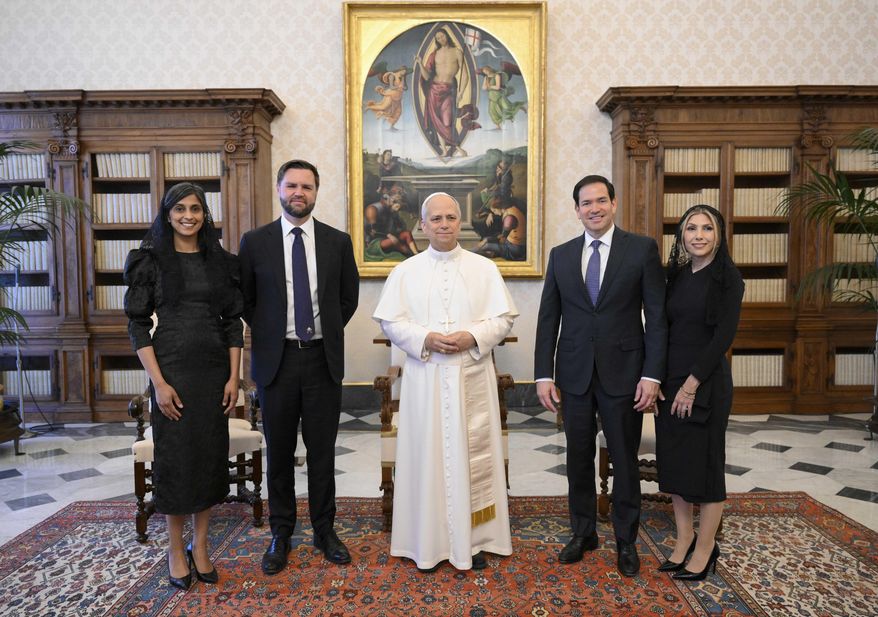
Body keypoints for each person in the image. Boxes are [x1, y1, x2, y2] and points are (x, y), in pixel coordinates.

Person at [373, 192, 518, 572]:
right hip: (426, 378)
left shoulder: (484, 268)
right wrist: (425, 338)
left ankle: (476, 541)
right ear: (422, 225)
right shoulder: (405, 271)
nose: (443, 224)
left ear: (459, 222)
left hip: (472, 376)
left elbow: (503, 318)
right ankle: (427, 543)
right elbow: (390, 321)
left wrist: (473, 337)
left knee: (472, 458)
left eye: (450, 217)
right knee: (428, 458)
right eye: (435, 218)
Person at [534, 174, 667, 577]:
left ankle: (626, 540)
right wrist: (542, 375)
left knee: (624, 459)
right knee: (577, 456)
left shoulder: (640, 249)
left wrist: (652, 375)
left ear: (614, 203)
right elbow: (548, 318)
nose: (594, 208)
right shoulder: (561, 255)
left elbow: (656, 317)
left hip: (625, 373)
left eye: (600, 200)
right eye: (586, 203)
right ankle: (583, 532)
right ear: (576, 210)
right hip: (573, 374)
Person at [238, 159, 359, 575]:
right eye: (291, 185)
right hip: (278, 362)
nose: (298, 193)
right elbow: (247, 300)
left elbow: (347, 298)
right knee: (280, 453)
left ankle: (325, 530)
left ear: (316, 192)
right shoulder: (255, 242)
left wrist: (323, 332)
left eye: (306, 186)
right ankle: (281, 533)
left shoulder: (337, 242)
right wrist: (273, 333)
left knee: (322, 452)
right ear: (279, 189)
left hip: (323, 359)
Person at [124, 182, 243, 590]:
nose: (188, 216)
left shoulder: (221, 262)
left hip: (214, 374)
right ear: (168, 214)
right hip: (171, 372)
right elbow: (137, 325)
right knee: (176, 462)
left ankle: (201, 545)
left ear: (204, 214)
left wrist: (234, 377)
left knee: (209, 459)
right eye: (179, 209)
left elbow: (233, 323)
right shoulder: (151, 261)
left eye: (195, 209)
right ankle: (175, 549)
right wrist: (158, 384)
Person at [655, 205, 744, 581]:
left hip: (705, 384)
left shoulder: (728, 278)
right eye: (691, 228)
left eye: (707, 228)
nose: (699, 235)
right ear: (681, 236)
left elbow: (723, 337)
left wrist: (691, 386)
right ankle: (684, 538)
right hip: (671, 382)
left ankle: (706, 547)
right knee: (675, 465)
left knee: (706, 469)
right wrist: (660, 380)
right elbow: (665, 329)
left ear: (719, 235)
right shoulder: (675, 275)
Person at [415, 28, 470, 158]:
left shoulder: (457, 52)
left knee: (447, 121)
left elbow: (465, 75)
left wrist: (461, 92)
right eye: (438, 38)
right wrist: (420, 64)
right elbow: (427, 76)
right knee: (437, 121)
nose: (441, 39)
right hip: (434, 90)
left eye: (442, 36)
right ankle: (444, 150)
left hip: (448, 90)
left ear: (447, 35)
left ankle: (457, 147)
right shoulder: (434, 54)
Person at [479, 64, 527, 130]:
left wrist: (490, 86)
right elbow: (483, 88)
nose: (486, 73)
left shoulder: (497, 75)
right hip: (491, 96)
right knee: (492, 111)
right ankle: (498, 126)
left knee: (507, 107)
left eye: (486, 71)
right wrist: (488, 86)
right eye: (484, 72)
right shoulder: (486, 78)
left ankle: (519, 107)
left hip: (498, 95)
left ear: (489, 69)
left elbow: (498, 87)